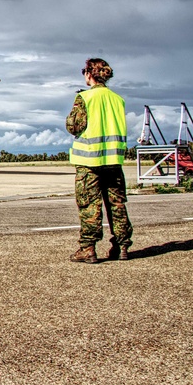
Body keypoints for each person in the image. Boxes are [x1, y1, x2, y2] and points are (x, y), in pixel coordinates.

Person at [65, 58, 133, 263]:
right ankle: (122, 246)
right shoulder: (117, 99)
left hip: (89, 161)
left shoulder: (85, 98)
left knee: (89, 206)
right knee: (117, 204)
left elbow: (73, 126)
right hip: (113, 161)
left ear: (88, 74)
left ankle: (88, 248)